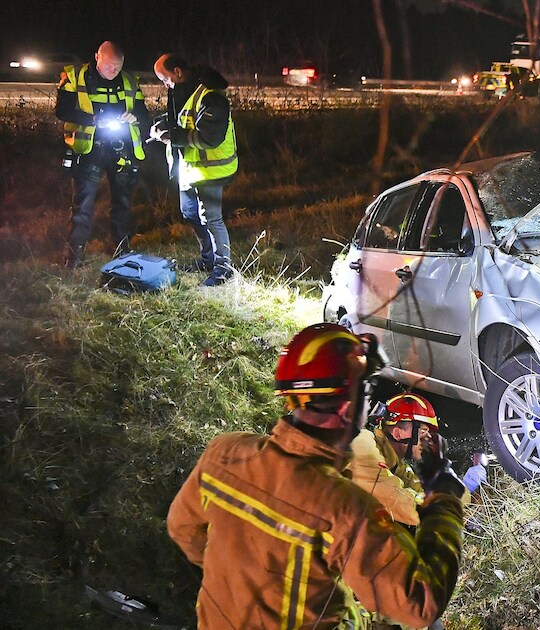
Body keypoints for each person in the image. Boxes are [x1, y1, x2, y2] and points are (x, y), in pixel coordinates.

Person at [167, 323, 466, 629]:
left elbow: (182, 529)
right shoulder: (344, 509)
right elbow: (420, 605)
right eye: (367, 392)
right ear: (350, 405)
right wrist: (443, 498)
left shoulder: (224, 453)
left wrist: (238, 579)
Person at [56, 41, 150, 268]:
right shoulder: (74, 77)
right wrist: (93, 119)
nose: (113, 71)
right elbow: (62, 110)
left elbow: (142, 112)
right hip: (88, 149)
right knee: (84, 202)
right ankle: (74, 255)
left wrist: (134, 116)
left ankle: (120, 248)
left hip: (120, 148)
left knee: (123, 201)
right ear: (96, 56)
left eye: (117, 67)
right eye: (109, 66)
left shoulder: (129, 81)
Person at [148, 53, 238, 287]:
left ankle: (223, 269)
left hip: (211, 170)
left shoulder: (212, 97)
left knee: (212, 218)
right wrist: (163, 125)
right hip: (189, 168)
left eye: (165, 78)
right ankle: (208, 260)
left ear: (178, 72)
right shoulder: (181, 92)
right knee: (190, 214)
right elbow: (180, 120)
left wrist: (169, 136)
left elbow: (209, 137)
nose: (165, 84)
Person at [348, 392, 450, 527]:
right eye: (422, 433)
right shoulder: (363, 444)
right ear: (398, 433)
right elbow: (399, 501)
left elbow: (422, 488)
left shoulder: (394, 461)